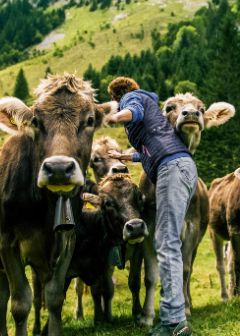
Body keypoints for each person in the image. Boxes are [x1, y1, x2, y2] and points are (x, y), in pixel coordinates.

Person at [106, 77, 197, 336]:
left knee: (166, 243)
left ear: (116, 96)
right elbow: (151, 146)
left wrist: (114, 117)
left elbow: (130, 112)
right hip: (181, 167)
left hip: (172, 168)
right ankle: (174, 318)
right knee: (168, 241)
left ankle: (174, 322)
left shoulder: (132, 98)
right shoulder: (151, 107)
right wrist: (128, 156)